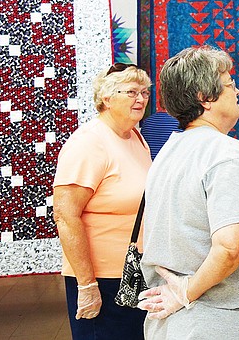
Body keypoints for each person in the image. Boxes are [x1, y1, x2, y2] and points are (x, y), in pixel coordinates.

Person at [137, 46, 239, 339]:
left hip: (171, 325)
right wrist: (186, 292)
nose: (237, 91)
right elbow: (230, 248)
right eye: (230, 85)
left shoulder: (169, 151)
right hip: (216, 322)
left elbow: (144, 240)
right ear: (205, 98)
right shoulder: (226, 155)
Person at [53, 63, 152, 339]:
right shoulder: (88, 143)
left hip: (133, 273)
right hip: (103, 281)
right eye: (131, 92)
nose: (141, 99)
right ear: (107, 98)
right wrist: (87, 285)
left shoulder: (133, 135)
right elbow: (65, 215)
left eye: (144, 92)